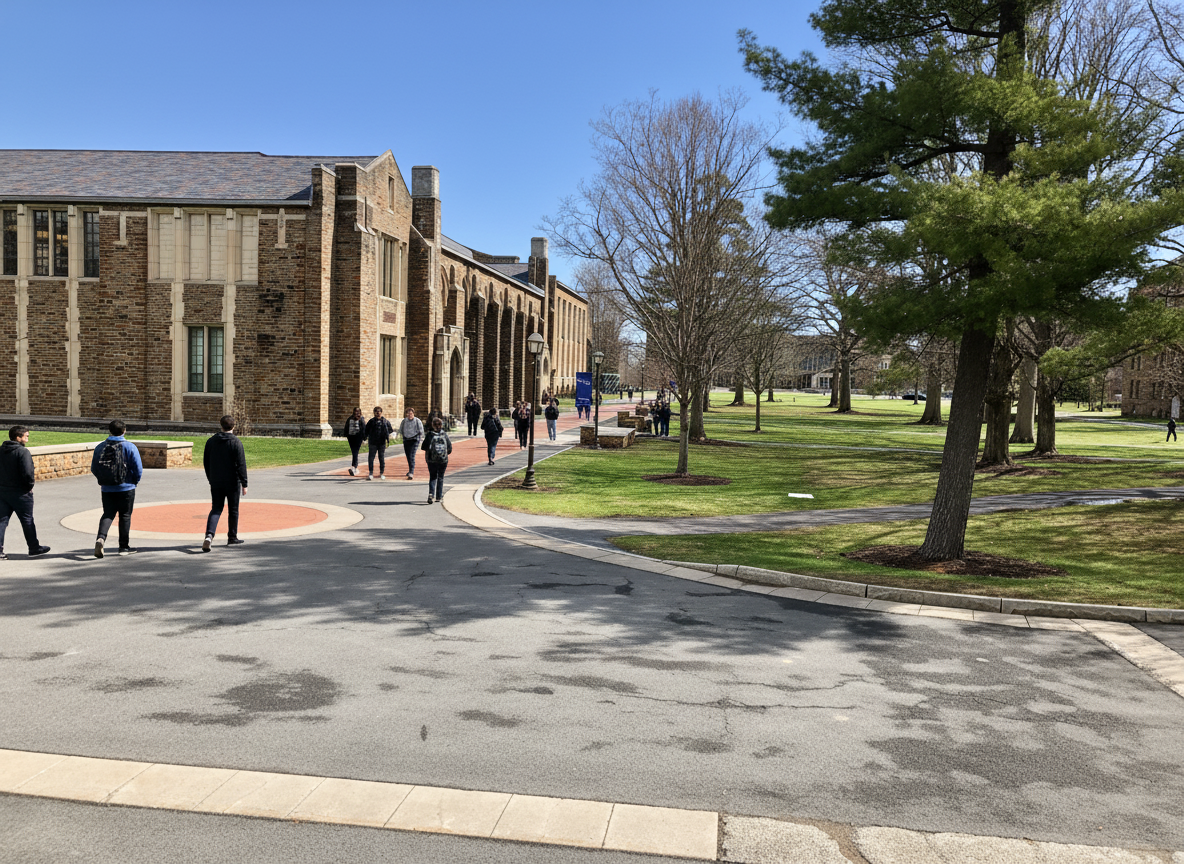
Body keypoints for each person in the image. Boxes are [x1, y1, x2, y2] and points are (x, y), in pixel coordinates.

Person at [91, 420, 143, 558]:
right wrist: (134, 482)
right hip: (127, 487)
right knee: (125, 516)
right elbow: (138, 469)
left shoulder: (100, 447)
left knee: (108, 514)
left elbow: (94, 468)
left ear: (110, 430)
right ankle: (123, 547)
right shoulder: (130, 447)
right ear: (124, 430)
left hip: (107, 488)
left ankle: (100, 539)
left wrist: (103, 481)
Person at [0, 425, 50, 560]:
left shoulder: (1, 450)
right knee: (27, 520)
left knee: (2, 521)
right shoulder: (22, 452)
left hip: (3, 492)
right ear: (18, 437)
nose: (27, 438)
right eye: (26, 436)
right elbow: (28, 473)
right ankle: (34, 547)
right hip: (21, 493)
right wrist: (29, 486)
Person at [202, 415, 249, 551]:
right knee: (233, 509)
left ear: (220, 425)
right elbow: (241, 465)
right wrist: (244, 483)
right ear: (233, 427)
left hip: (216, 480)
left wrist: (210, 478)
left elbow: (206, 462)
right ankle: (232, 537)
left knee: (216, 508)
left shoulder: (211, 441)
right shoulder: (236, 442)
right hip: (232, 482)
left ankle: (209, 535)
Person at [421, 416, 453, 504]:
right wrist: (444, 454)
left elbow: (423, 447)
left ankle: (431, 493)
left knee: (433, 477)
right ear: (441, 425)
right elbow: (450, 448)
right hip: (443, 460)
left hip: (432, 459)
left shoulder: (430, 435)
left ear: (432, 425)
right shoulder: (444, 434)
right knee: (441, 477)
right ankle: (439, 496)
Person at [365, 406, 393, 480]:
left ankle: (381, 473)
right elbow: (366, 431)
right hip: (372, 442)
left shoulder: (385, 421)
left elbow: (390, 430)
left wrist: (386, 436)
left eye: (379, 411)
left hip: (381, 442)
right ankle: (371, 472)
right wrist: (365, 438)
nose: (378, 413)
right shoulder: (371, 421)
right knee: (371, 458)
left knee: (381, 458)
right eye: (376, 411)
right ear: (374, 413)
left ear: (381, 412)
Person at [399, 408, 424, 479]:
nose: (409, 415)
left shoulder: (417, 421)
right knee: (408, 456)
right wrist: (401, 436)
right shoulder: (404, 421)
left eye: (411, 414)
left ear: (413, 414)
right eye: (408, 414)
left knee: (412, 456)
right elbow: (401, 429)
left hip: (414, 440)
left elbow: (421, 431)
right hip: (406, 439)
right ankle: (410, 469)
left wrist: (421, 439)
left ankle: (411, 472)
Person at [343, 407, 366, 476]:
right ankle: (354, 465)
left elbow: (363, 428)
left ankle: (354, 466)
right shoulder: (350, 418)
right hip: (351, 437)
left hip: (358, 437)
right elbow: (346, 426)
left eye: (358, 411)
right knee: (353, 451)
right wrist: (346, 434)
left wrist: (364, 437)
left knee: (355, 451)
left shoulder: (361, 419)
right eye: (355, 411)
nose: (356, 413)